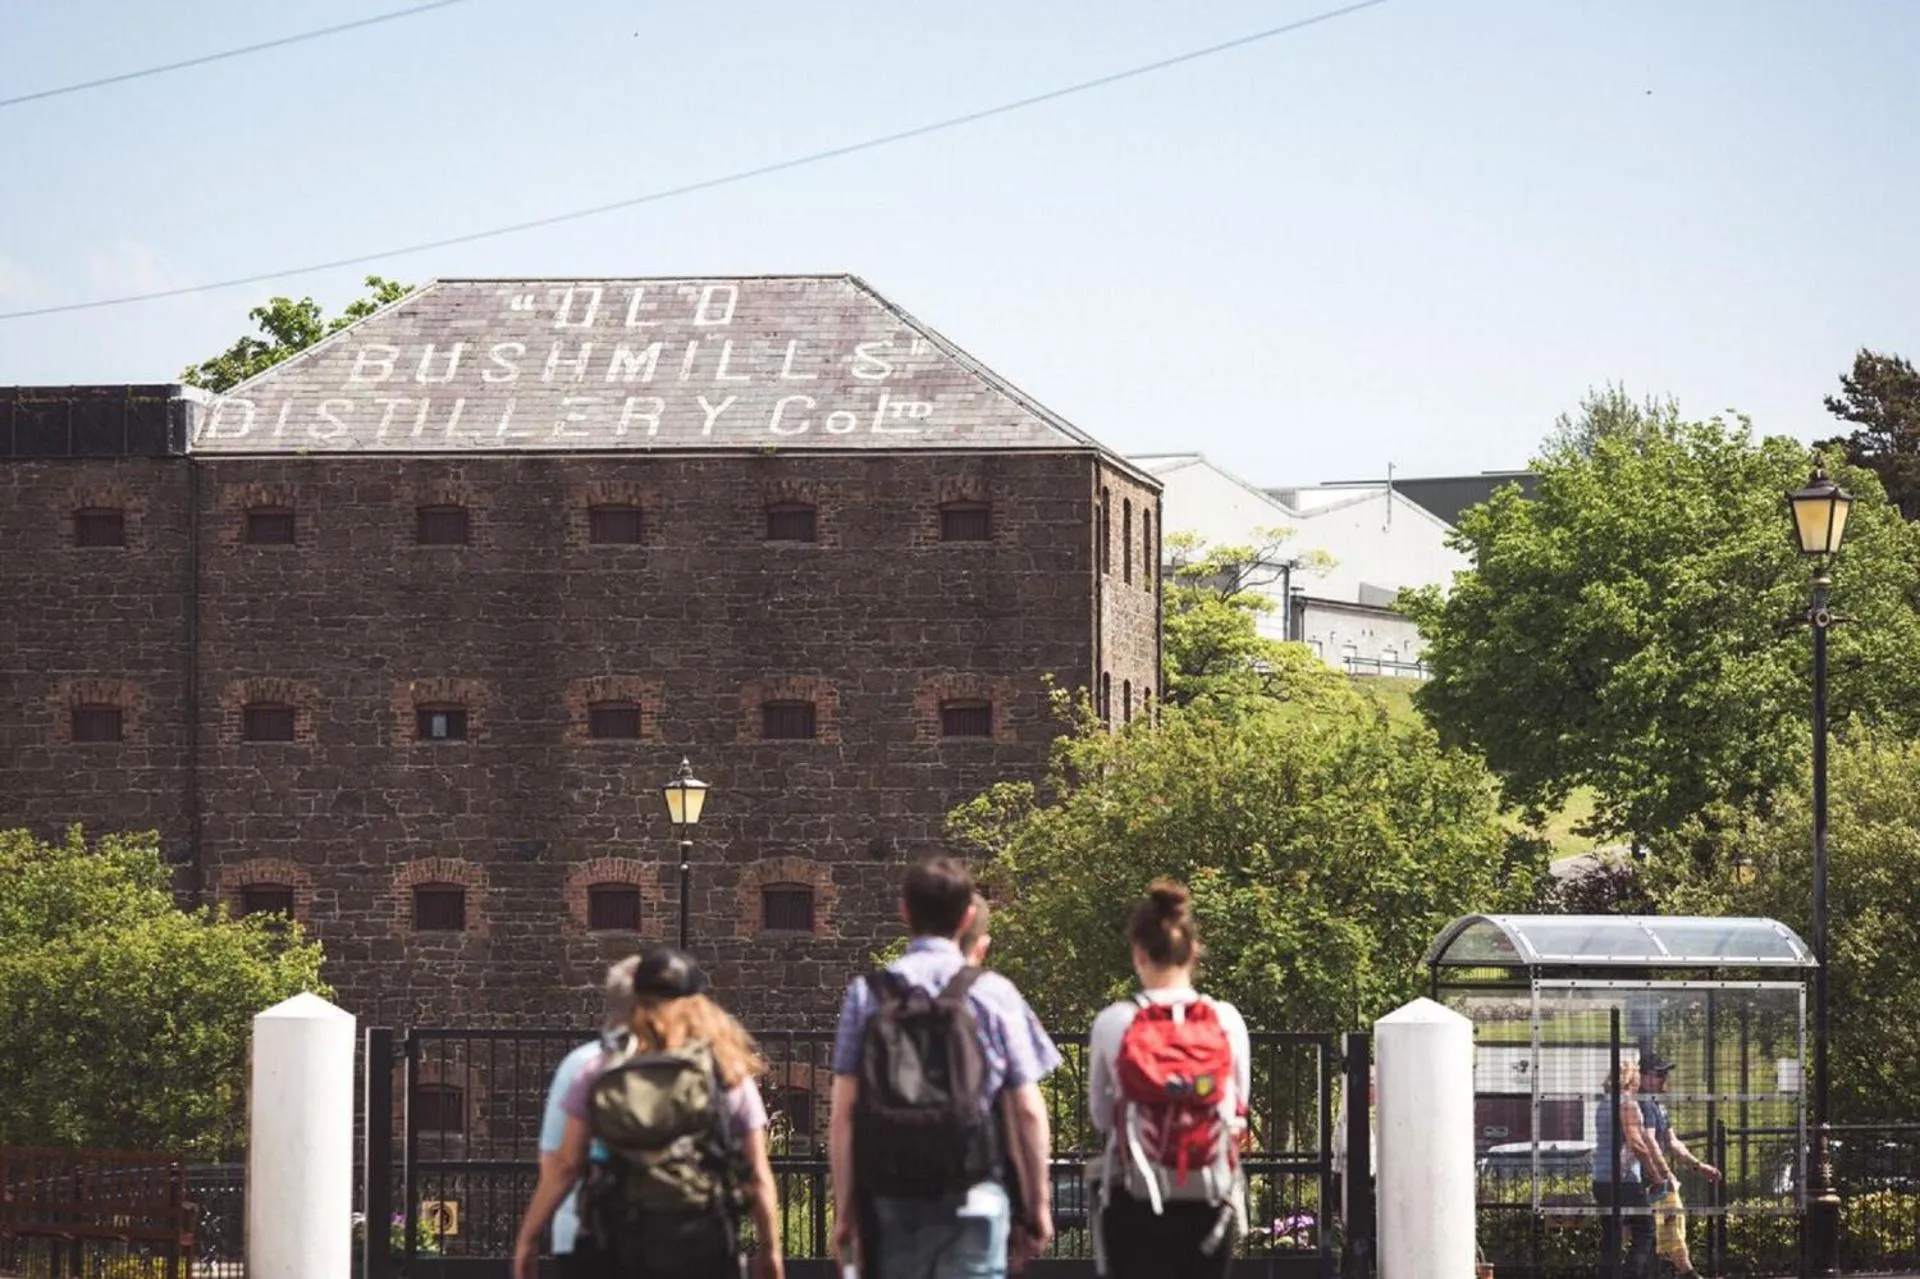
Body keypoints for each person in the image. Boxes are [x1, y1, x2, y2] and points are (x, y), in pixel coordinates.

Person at [830, 856, 1060, 1278]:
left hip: (889, 1192)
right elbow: (1026, 1108)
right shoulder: (994, 994)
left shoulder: (867, 995)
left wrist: (844, 1210)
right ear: (969, 915)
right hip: (974, 1189)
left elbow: (844, 1112)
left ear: (904, 911)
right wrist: (1037, 1203)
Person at [514, 948, 784, 1279]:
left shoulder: (598, 1070)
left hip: (614, 1238)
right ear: (697, 1004)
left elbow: (565, 1166)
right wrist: (769, 1249)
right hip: (700, 1238)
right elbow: (757, 1174)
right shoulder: (725, 1073)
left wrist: (528, 1238)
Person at [1087, 880, 1251, 1279]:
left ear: (1138, 953)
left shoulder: (1115, 1022)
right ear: (1193, 952)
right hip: (1210, 1194)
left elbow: (1102, 1116)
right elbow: (1239, 1103)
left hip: (1134, 1195)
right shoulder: (1226, 1020)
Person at [536, 955, 641, 1278]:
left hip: (590, 1233)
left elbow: (561, 1164)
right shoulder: (711, 1068)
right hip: (679, 1236)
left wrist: (529, 1234)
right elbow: (751, 1167)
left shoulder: (585, 1064)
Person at [1639, 1054, 1721, 1279]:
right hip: (1650, 1182)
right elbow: (1650, 1141)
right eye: (1660, 1074)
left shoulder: (1657, 1106)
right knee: (1669, 1232)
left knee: (1653, 1233)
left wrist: (1698, 1165)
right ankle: (1690, 1275)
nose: (1665, 1078)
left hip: (1653, 1180)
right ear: (1644, 1077)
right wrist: (1664, 1174)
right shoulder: (1643, 1105)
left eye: (1666, 1073)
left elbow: (1672, 1141)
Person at [1592, 1058, 1672, 1279]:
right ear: (1631, 1078)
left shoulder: (1604, 1104)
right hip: (1624, 1180)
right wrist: (1656, 1176)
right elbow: (1636, 1144)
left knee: (1612, 1234)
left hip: (1600, 1178)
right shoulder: (1628, 1104)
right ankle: (1631, 1274)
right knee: (1645, 1229)